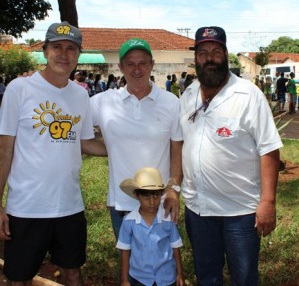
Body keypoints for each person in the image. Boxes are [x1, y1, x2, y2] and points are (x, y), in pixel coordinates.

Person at [0, 21, 107, 286]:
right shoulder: (19, 89)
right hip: (26, 207)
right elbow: (5, 148)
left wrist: (128, 149)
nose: (64, 53)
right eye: (57, 47)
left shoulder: (80, 96)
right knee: (19, 278)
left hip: (69, 205)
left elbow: (85, 143)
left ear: (78, 55)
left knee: (72, 272)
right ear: (45, 51)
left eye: (71, 48)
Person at [180, 26, 283, 286]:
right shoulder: (189, 95)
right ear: (196, 59)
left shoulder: (249, 96)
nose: (209, 58)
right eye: (203, 53)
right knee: (207, 277)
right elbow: (181, 143)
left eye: (216, 51)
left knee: (245, 278)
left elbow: (269, 148)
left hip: (240, 212)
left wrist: (268, 202)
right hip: (198, 210)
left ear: (226, 55)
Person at [90, 38, 183, 239]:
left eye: (143, 63)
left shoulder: (171, 103)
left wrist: (174, 190)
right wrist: (112, 149)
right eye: (130, 64)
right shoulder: (103, 102)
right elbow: (74, 131)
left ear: (152, 64)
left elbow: (177, 150)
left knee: (163, 264)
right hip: (121, 204)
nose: (137, 69)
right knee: (128, 265)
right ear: (121, 67)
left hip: (160, 203)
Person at [116, 167, 184, 286]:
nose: (152, 202)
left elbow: (175, 247)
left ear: (161, 194)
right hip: (139, 278)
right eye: (146, 196)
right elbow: (125, 251)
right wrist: (124, 280)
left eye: (156, 196)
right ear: (137, 195)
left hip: (166, 277)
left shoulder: (168, 219)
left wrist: (180, 273)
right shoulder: (129, 221)